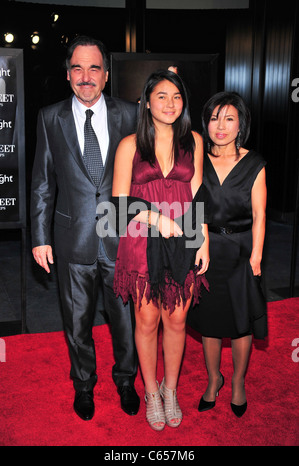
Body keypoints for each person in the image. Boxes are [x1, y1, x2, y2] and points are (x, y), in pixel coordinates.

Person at [30, 36, 140, 421]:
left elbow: (145, 175)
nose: (86, 76)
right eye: (77, 68)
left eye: (94, 68)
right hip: (71, 239)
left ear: (106, 75)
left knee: (124, 320)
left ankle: (127, 380)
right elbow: (42, 183)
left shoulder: (129, 114)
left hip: (121, 239)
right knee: (76, 323)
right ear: (67, 75)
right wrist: (40, 238)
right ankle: (83, 385)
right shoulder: (50, 117)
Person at [112, 69, 209, 431]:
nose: (170, 104)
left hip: (184, 239)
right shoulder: (129, 145)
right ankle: (151, 390)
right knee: (148, 319)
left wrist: (205, 242)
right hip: (141, 239)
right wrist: (157, 219)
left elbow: (199, 198)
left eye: (177, 97)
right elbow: (119, 204)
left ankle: (171, 389)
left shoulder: (193, 142)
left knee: (178, 318)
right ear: (146, 102)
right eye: (162, 96)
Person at [187, 91, 267, 418]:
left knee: (240, 324)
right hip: (207, 249)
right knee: (209, 322)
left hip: (242, 251)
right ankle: (212, 379)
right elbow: (194, 208)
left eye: (229, 118)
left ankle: (237, 382)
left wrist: (257, 260)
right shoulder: (197, 159)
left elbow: (261, 215)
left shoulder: (254, 164)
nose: (221, 126)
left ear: (240, 124)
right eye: (215, 118)